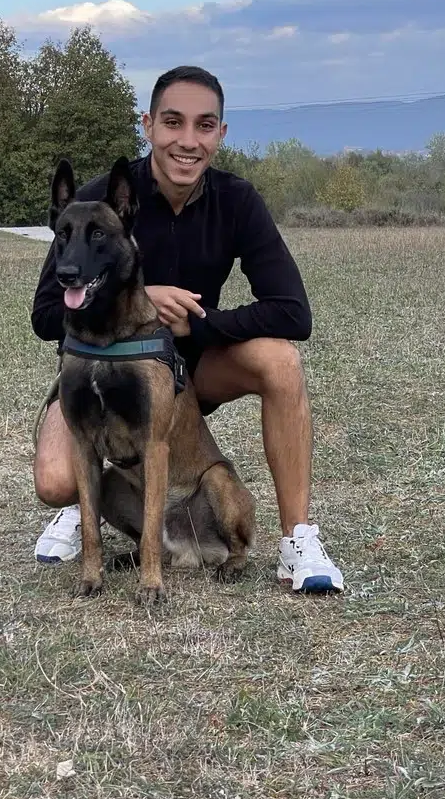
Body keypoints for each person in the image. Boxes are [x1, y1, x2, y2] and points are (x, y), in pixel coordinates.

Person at [28, 64, 344, 594]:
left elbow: (293, 313)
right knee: (55, 480)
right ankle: (85, 505)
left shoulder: (237, 200)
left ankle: (298, 541)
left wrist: (199, 324)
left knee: (281, 361)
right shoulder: (100, 200)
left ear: (221, 134)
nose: (188, 141)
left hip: (195, 368)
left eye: (205, 125)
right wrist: (136, 298)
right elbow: (44, 315)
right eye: (173, 122)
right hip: (107, 365)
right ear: (149, 125)